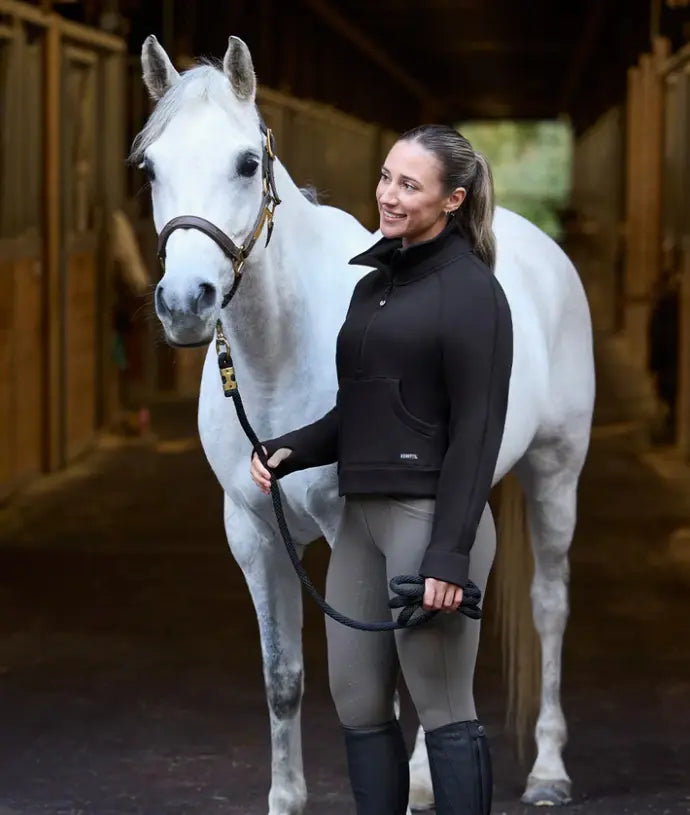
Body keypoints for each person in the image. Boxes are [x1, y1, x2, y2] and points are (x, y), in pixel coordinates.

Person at [250, 125, 513, 815]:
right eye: (386, 176)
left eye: (409, 184)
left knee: (444, 705)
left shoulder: (472, 294)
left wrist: (449, 553)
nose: (388, 195)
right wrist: (292, 448)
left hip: (429, 520)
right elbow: (363, 408)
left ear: (453, 200)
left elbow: (478, 433)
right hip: (361, 519)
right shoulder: (376, 283)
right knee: (359, 700)